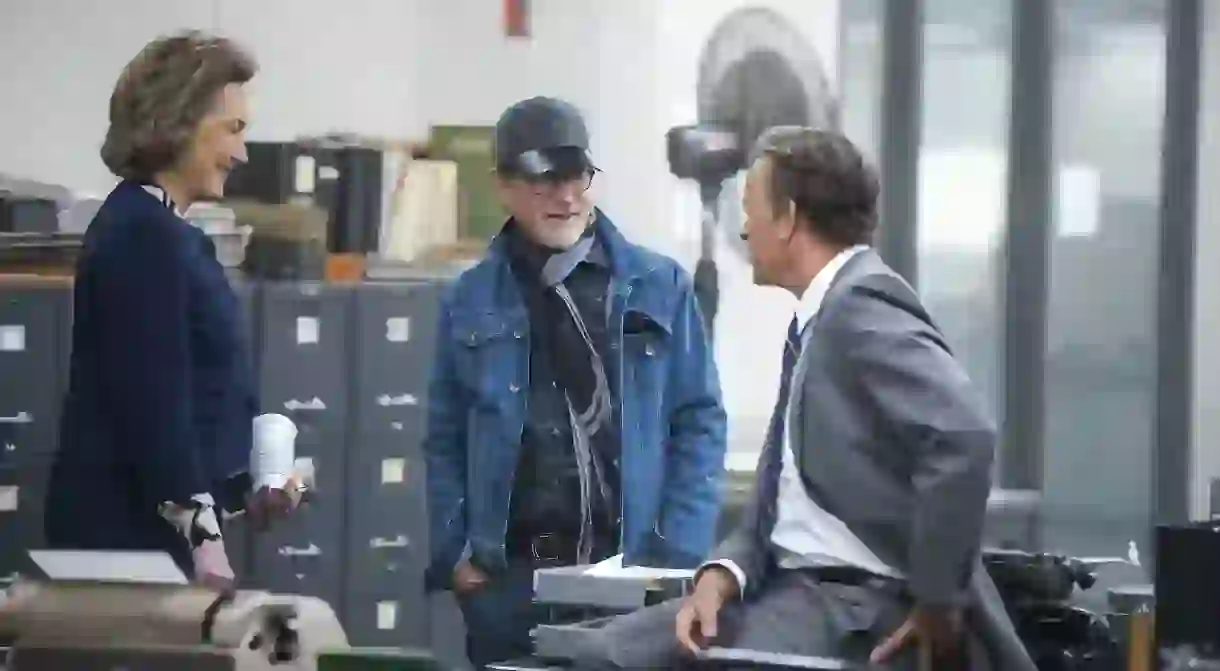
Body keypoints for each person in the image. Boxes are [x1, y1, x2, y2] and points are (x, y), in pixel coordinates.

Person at [572, 127, 1037, 670]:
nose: (744, 230)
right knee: (596, 652)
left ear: (789, 217)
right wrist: (724, 573)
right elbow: (780, 494)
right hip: (793, 588)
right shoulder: (818, 318)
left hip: (852, 603)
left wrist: (939, 603)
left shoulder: (860, 305)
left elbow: (963, 434)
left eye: (750, 210)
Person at [423, 96, 728, 668]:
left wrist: (678, 554)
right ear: (504, 188)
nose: (566, 197)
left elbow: (699, 422)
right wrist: (458, 555)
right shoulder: (468, 300)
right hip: (511, 586)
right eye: (544, 181)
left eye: (577, 177)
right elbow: (443, 437)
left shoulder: (660, 286)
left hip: (634, 581)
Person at [44, 31, 295, 591]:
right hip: (127, 548)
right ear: (178, 123)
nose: (243, 153)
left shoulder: (159, 229)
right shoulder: (141, 235)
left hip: (154, 540)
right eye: (233, 130)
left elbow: (197, 406)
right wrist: (205, 540)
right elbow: (154, 405)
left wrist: (249, 487)